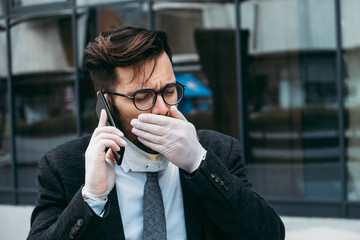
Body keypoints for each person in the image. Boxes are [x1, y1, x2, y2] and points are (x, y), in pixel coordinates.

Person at [27, 26, 285, 240]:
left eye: (169, 90)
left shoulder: (217, 151)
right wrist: (91, 197)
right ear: (106, 103)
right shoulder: (62, 166)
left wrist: (199, 164)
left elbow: (269, 235)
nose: (163, 108)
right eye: (143, 96)